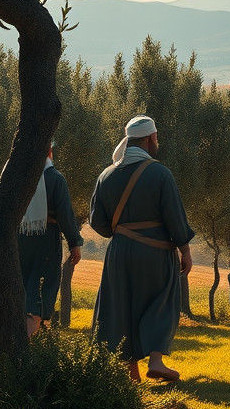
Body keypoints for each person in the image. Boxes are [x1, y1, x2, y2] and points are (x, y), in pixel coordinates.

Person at [90, 115, 194, 383]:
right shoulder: (160, 173)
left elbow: (97, 222)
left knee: (122, 306)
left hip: (119, 252)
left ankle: (130, 372)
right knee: (162, 300)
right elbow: (174, 216)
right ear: (150, 139)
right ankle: (156, 361)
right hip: (155, 252)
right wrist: (185, 249)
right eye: (156, 138)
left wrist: (122, 234)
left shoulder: (106, 175)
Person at [18, 141, 83, 337]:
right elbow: (65, 215)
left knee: (25, 287)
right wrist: (74, 243)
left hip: (21, 239)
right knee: (41, 292)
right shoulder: (55, 178)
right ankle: (30, 343)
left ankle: (29, 340)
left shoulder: (19, 177)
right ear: (49, 151)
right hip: (46, 241)